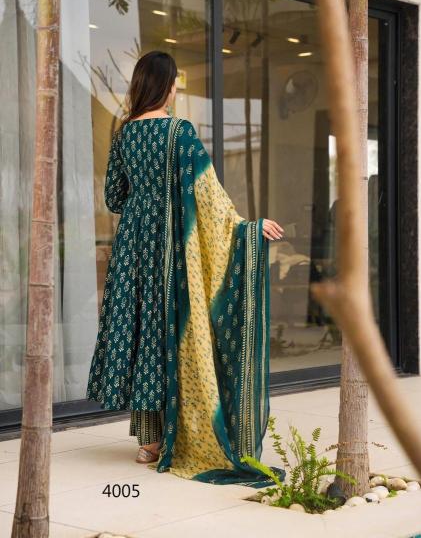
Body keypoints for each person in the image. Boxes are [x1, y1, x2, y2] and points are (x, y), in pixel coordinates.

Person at [86, 50, 285, 487]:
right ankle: (178, 434)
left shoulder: (124, 134)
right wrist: (247, 229)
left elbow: (114, 198)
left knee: (140, 331)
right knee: (167, 330)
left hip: (132, 245)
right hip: (171, 245)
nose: (177, 87)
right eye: (175, 81)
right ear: (166, 85)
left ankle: (148, 442)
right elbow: (208, 194)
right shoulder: (179, 132)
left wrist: (143, 202)